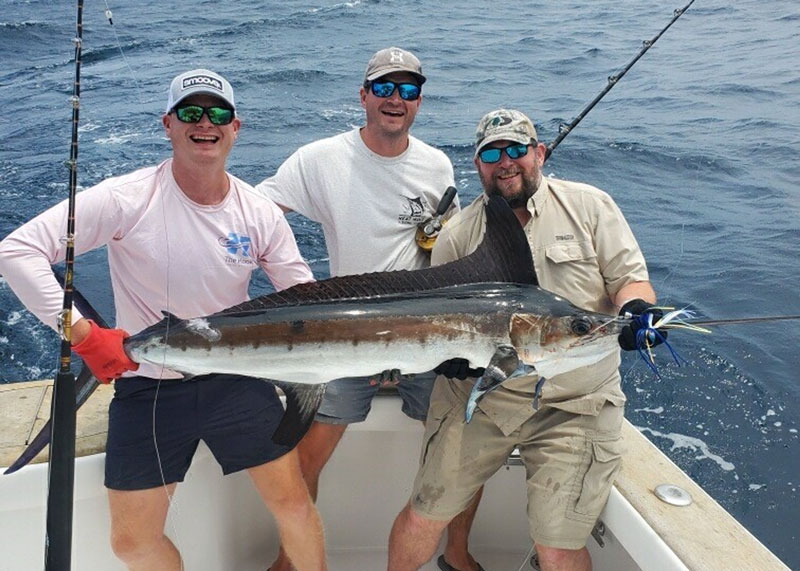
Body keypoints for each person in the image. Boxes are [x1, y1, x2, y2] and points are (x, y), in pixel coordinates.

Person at [0, 69, 327, 571]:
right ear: (168, 125)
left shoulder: (260, 212)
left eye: (217, 114)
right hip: (149, 385)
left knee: (295, 507)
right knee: (132, 542)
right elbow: (16, 251)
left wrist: (357, 343)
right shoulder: (126, 197)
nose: (205, 123)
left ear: (235, 127)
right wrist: (83, 333)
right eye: (190, 112)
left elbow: (304, 299)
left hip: (235, 380)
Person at [387, 109, 664, 571]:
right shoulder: (458, 235)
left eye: (517, 149)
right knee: (424, 514)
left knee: (557, 545)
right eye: (491, 153)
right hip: (484, 397)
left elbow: (630, 283)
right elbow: (437, 321)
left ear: (540, 153)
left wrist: (636, 310)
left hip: (574, 404)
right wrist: (450, 359)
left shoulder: (591, 206)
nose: (505, 161)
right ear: (478, 166)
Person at [255, 48, 484, 571]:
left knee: (467, 449)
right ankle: (290, 562)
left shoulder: (435, 164)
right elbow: (257, 212)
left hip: (425, 334)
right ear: (363, 97)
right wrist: (287, 283)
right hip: (345, 335)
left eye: (407, 91)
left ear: (419, 102)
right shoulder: (320, 159)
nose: (394, 100)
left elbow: (441, 248)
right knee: (306, 454)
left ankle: (459, 553)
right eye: (383, 88)